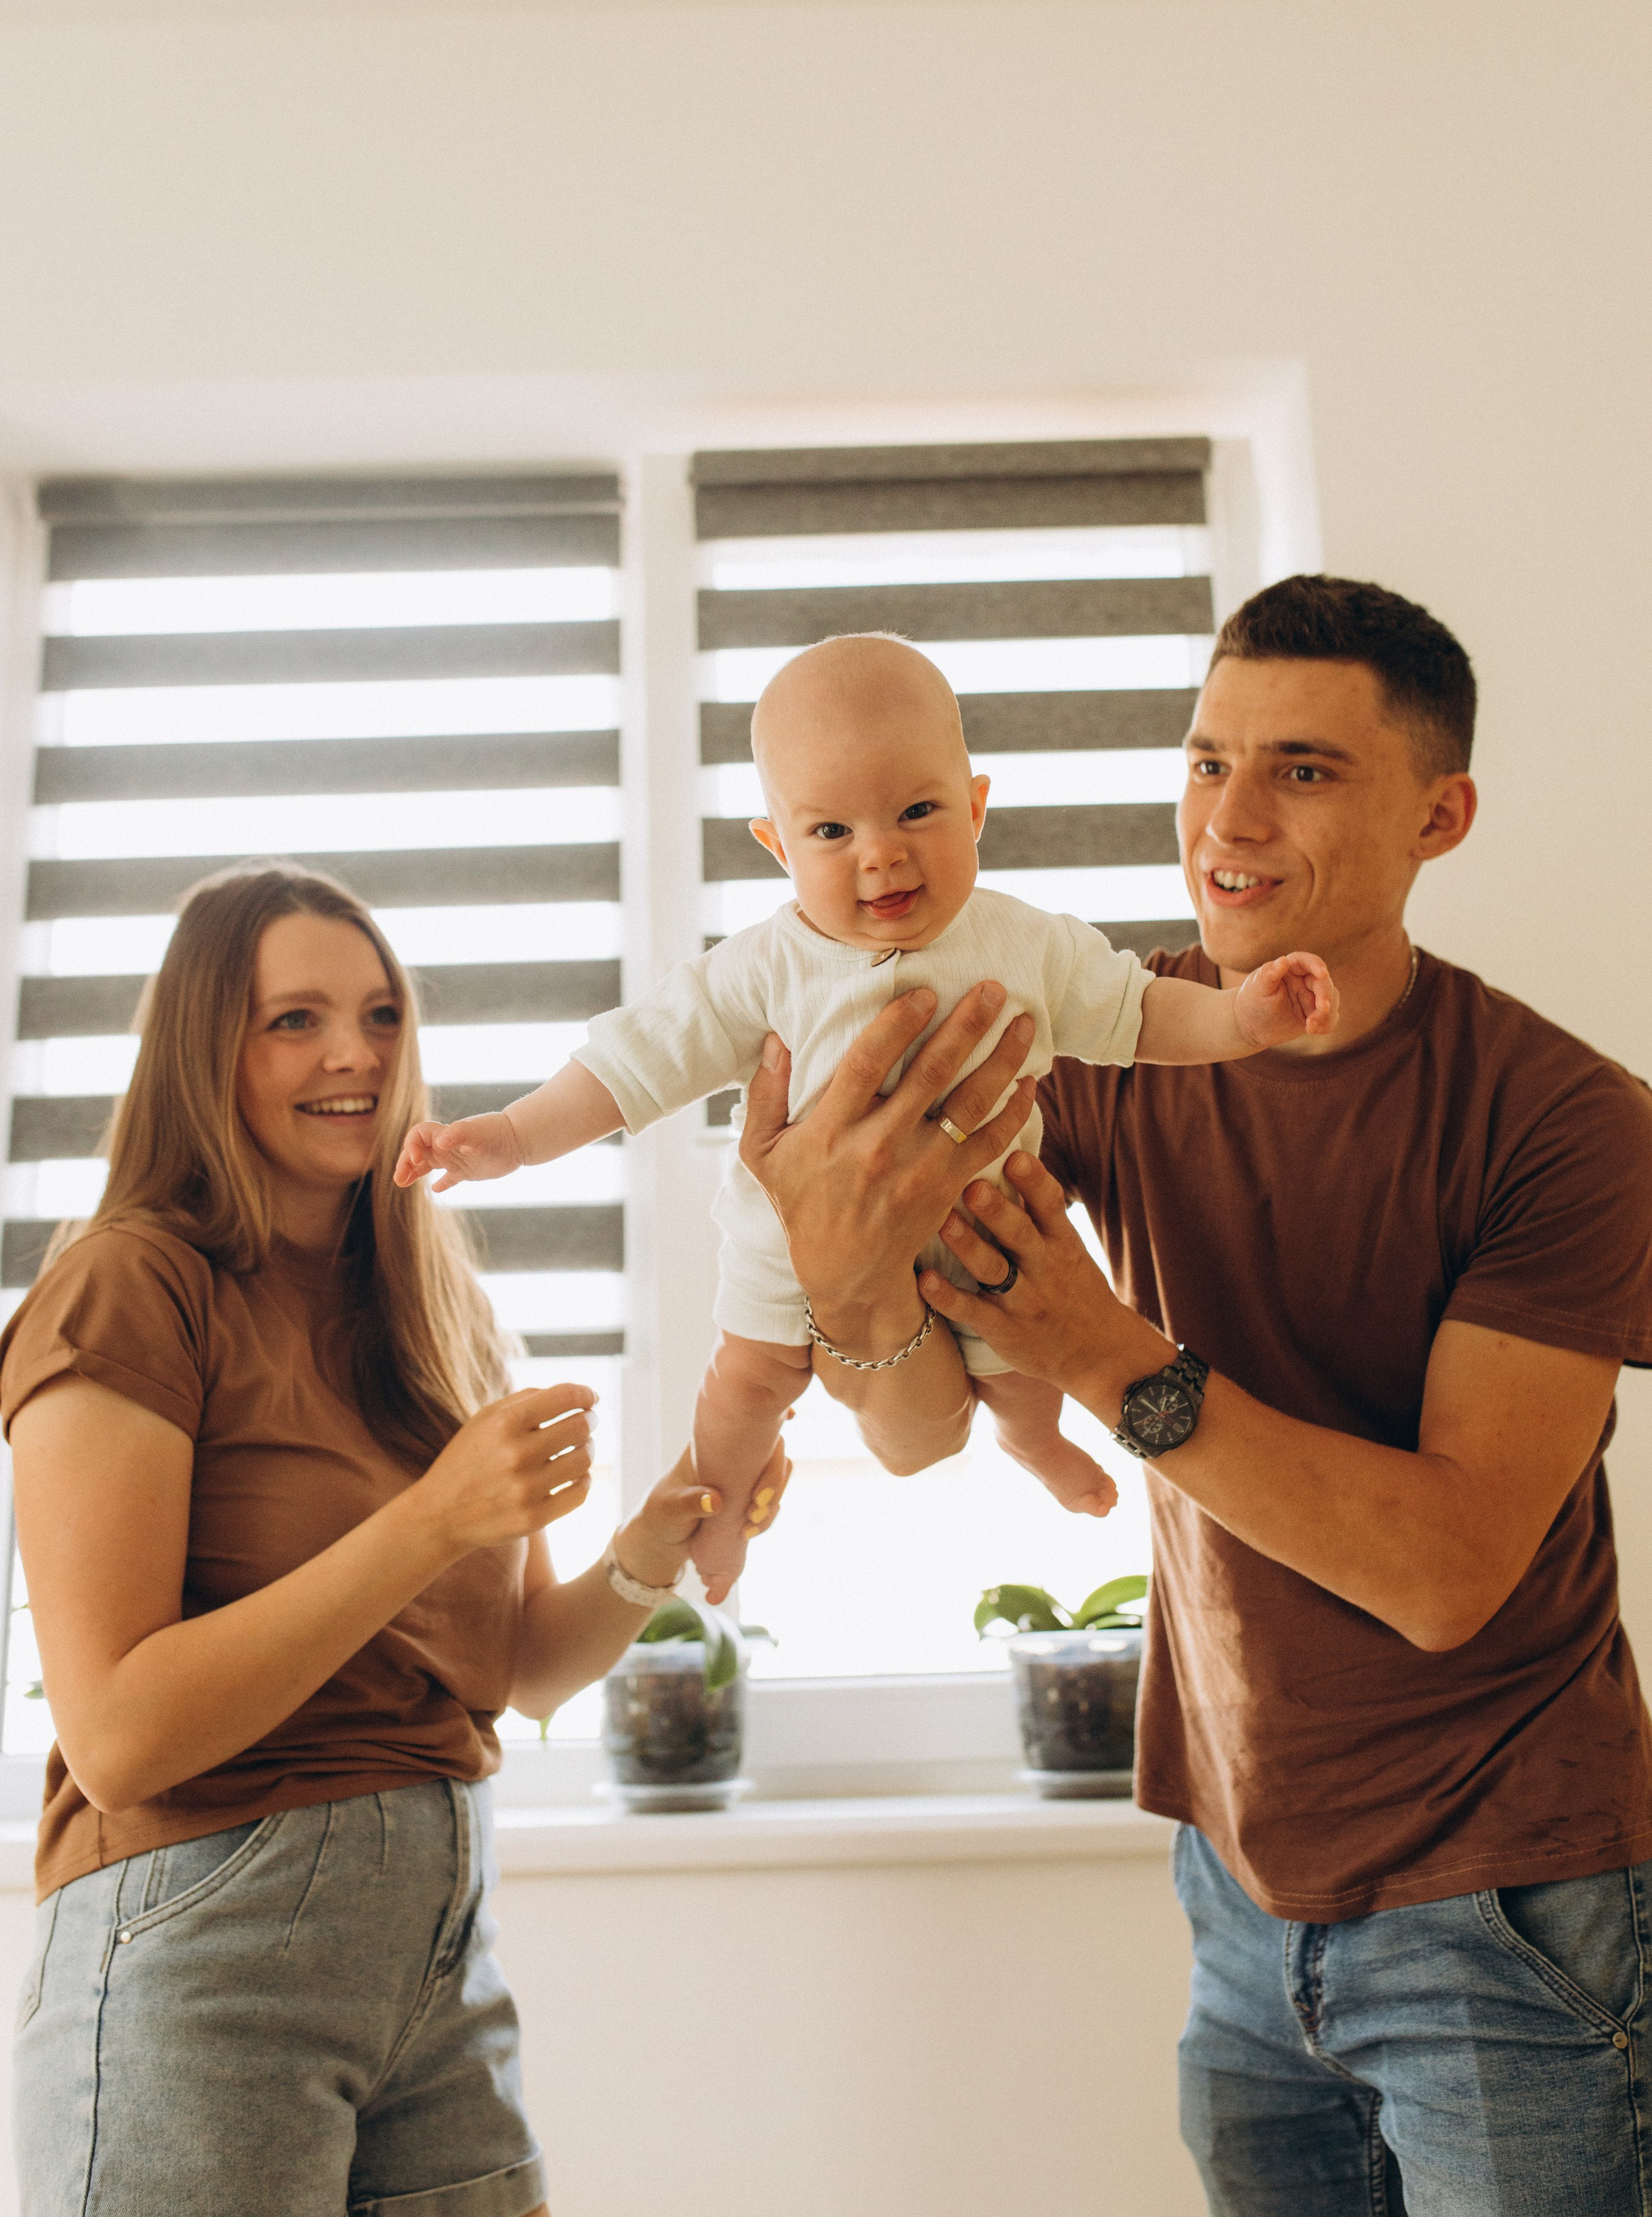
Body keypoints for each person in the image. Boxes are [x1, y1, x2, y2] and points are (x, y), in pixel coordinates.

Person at [737, 576, 1652, 2216]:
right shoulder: (1095, 1037)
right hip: (1235, 1892)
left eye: (1300, 770)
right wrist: (837, 1268)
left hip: (1510, 1905)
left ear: (1438, 815)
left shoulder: (1566, 1126)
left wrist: (1097, 1351)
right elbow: (915, 1424)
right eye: (1203, 759)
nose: (1225, 819)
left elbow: (1442, 1572)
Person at [0, 860, 789, 2217]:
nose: (355, 1053)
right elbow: (120, 1734)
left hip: (434, 1957)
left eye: (380, 1015)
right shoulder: (133, 1284)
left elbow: (520, 1669)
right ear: (206, 1049)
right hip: (208, 1950)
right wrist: (430, 1522)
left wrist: (656, 1539)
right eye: (292, 1020)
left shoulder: (430, 1306)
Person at [394, 634, 1335, 1600]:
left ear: (975, 808)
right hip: (789, 1244)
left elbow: (1139, 1013)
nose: (881, 854)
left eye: (918, 812)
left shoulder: (1027, 941)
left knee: (1024, 1369)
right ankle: (718, 1516)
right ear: (776, 844)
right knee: (744, 1388)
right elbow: (634, 1063)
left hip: (983, 1229)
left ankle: (1033, 1443)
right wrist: (512, 1136)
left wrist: (1242, 1015)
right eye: (832, 833)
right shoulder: (762, 965)